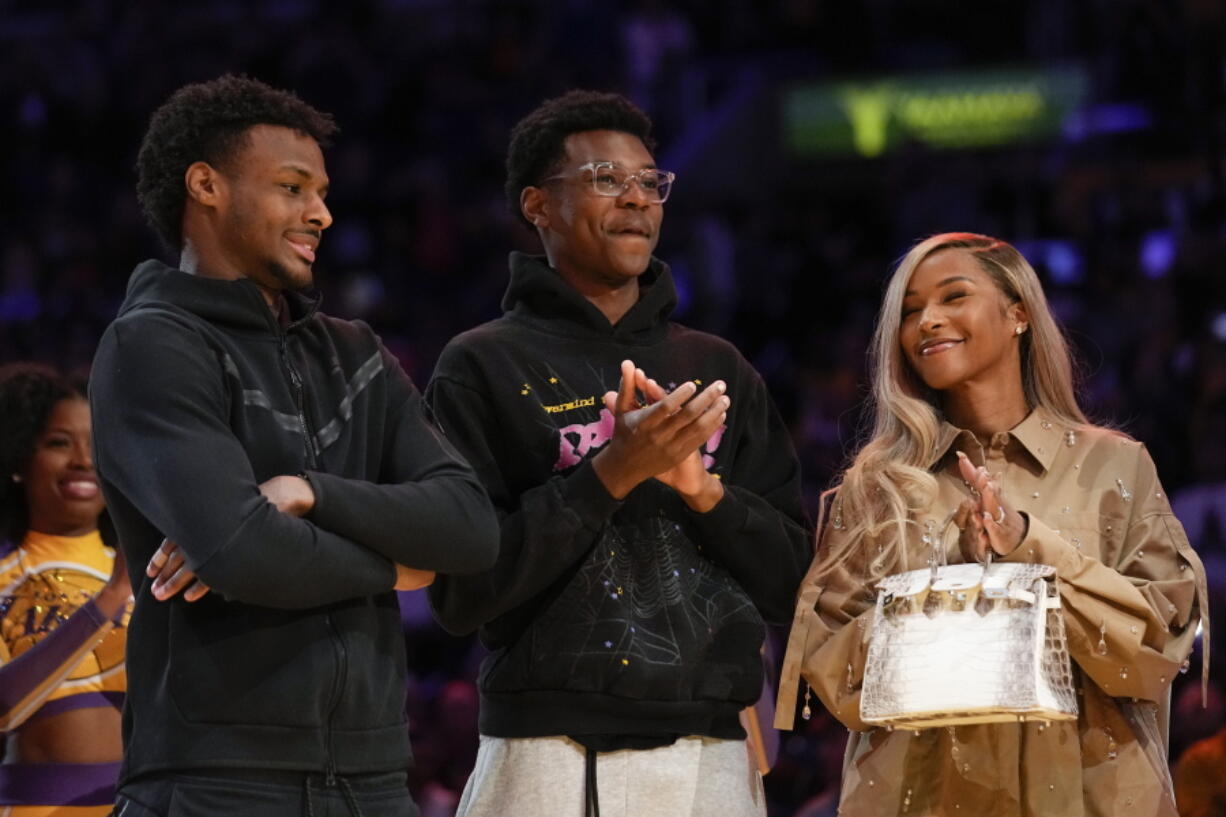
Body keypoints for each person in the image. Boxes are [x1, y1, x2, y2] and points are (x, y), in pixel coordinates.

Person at [89, 74, 499, 816]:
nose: (322, 213)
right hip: (219, 781)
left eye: (322, 191)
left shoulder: (354, 351)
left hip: (374, 779)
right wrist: (399, 568)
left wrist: (314, 494)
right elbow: (243, 550)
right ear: (206, 186)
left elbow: (471, 524)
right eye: (293, 187)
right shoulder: (151, 343)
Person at [425, 90, 810, 817]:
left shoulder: (718, 365)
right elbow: (460, 593)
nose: (636, 198)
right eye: (606, 179)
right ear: (538, 205)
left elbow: (795, 582)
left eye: (649, 181)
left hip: (713, 752)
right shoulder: (480, 365)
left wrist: (705, 493)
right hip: (548, 749)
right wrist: (610, 474)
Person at [775, 232, 1210, 817]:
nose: (927, 321)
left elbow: (1156, 651)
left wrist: (1028, 546)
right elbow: (836, 673)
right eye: (909, 312)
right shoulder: (877, 488)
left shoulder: (1114, 466)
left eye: (953, 297)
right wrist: (951, 589)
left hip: (1092, 799)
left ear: (1019, 315)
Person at [0, 364, 130, 815]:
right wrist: (108, 602)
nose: (83, 460)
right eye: (60, 443)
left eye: (97, 445)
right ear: (18, 460)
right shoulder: (4, 574)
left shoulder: (151, 571)